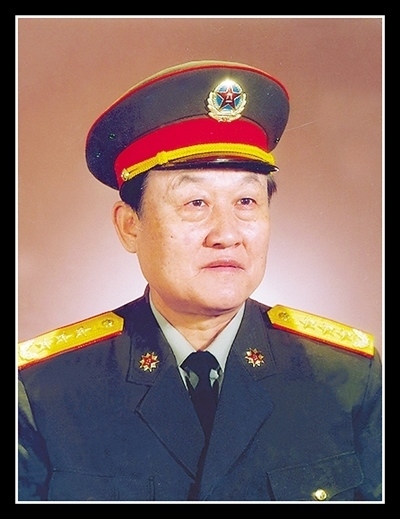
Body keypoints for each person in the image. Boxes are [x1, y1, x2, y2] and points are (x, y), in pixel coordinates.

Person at [18, 60, 382, 502]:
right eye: (195, 203)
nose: (226, 234)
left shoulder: (346, 379)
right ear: (130, 226)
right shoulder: (47, 391)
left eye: (246, 201)